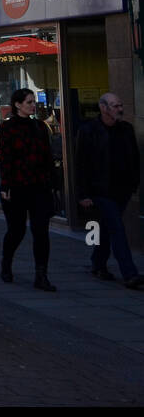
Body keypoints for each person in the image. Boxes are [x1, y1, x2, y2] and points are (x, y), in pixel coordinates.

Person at [75, 93, 144, 289]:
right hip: (100, 190)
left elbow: (134, 158)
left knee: (106, 228)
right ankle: (130, 274)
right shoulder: (88, 130)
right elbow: (81, 164)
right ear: (103, 108)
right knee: (117, 228)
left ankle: (97, 263)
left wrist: (134, 183)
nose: (119, 109)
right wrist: (83, 194)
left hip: (122, 189)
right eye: (115, 106)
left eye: (120, 105)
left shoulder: (126, 129)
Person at [0, 88, 58, 290]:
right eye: (29, 102)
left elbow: (48, 157)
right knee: (17, 230)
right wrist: (6, 185)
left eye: (33, 102)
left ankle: (42, 275)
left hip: (39, 186)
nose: (33, 105)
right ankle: (6, 264)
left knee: (41, 231)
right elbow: (5, 159)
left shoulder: (40, 126)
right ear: (18, 104)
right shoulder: (7, 128)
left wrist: (52, 184)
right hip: (17, 186)